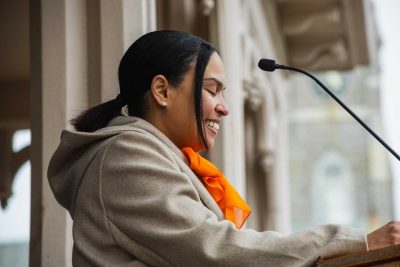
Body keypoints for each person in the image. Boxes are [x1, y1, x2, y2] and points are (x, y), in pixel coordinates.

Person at [48, 30, 400, 266]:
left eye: (224, 93)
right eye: (212, 90)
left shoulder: (155, 155)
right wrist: (355, 243)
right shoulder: (124, 158)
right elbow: (214, 249)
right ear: (162, 91)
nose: (224, 107)